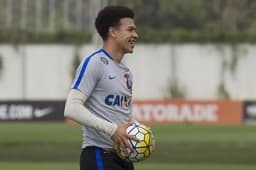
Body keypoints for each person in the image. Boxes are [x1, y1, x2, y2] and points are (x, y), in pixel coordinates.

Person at [64, 5, 139, 170]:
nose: (136, 35)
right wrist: (112, 130)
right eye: (130, 30)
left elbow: (119, 114)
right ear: (113, 32)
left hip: (123, 157)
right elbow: (71, 108)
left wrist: (139, 131)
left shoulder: (126, 73)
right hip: (99, 155)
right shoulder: (95, 63)